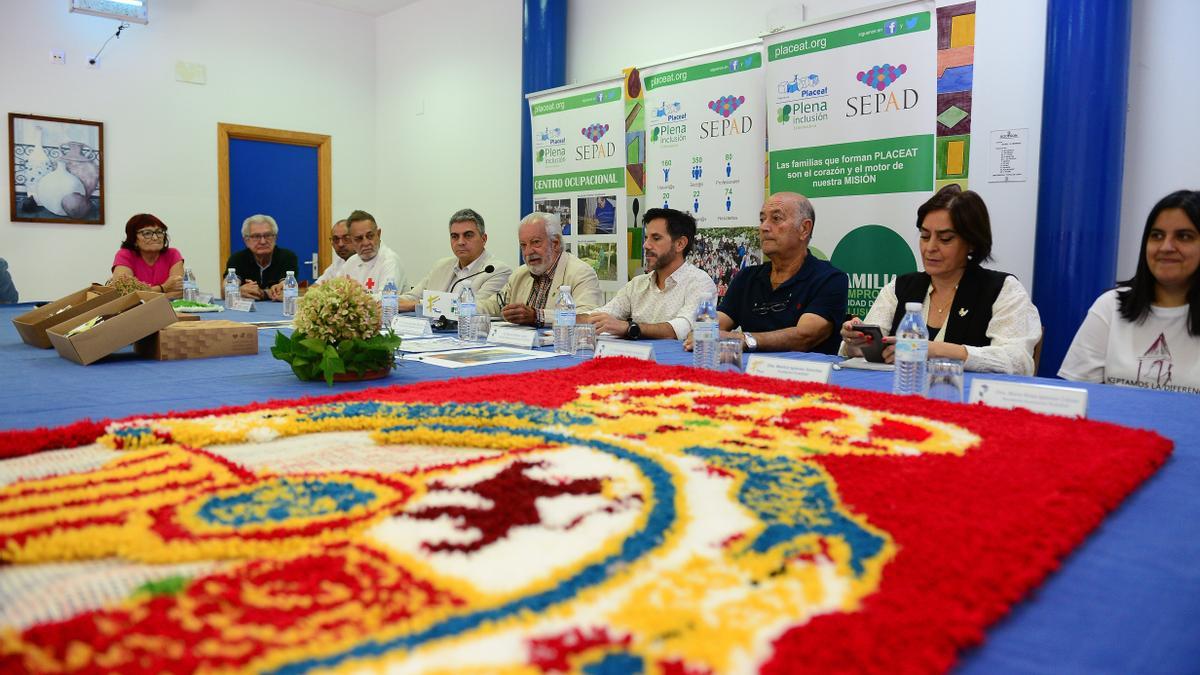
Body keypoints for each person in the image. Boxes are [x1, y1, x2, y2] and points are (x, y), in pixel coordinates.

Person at [840, 185, 1042, 374]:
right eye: (925, 236)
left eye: (945, 239)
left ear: (971, 242)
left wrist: (935, 350)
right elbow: (868, 349)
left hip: (968, 403)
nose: (930, 248)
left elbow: (1018, 362)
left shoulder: (1002, 290)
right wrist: (856, 344)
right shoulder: (900, 287)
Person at [1060, 190, 1200, 392]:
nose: (1166, 246)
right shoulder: (1111, 305)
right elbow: (1078, 395)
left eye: (1184, 236)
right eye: (1157, 235)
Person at [688, 192, 848, 354]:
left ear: (804, 229)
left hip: (806, 374)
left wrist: (745, 339)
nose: (764, 227)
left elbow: (805, 336)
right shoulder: (747, 277)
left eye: (776, 219)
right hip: (749, 372)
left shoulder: (830, 279)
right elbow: (717, 323)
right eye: (762, 219)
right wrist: (701, 333)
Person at [582, 208, 715, 340]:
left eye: (656, 238)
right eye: (646, 238)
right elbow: (603, 314)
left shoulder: (699, 282)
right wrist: (567, 318)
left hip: (675, 361)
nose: (646, 245)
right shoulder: (637, 284)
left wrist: (629, 327)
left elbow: (682, 329)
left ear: (680, 244)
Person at [477, 212, 602, 326]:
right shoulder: (520, 274)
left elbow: (587, 317)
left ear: (555, 243)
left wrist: (538, 316)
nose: (528, 252)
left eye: (535, 242)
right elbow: (494, 305)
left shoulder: (581, 273)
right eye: (523, 245)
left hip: (559, 347)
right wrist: (464, 308)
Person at [399, 208, 512, 312]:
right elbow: (412, 297)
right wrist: (387, 302)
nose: (460, 242)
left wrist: (418, 305)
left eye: (468, 235)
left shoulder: (496, 271)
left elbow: (473, 308)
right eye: (455, 236)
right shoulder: (441, 266)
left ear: (484, 239)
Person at [225, 214, 298, 301]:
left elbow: (287, 288)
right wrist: (238, 291)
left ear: (275, 238)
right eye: (256, 236)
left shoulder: (287, 257)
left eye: (268, 235)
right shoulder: (237, 258)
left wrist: (264, 293)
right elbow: (224, 289)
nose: (263, 241)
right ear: (246, 240)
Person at [110, 213, 185, 298]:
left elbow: (178, 292)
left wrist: (143, 295)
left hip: (169, 309)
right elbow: (124, 292)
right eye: (147, 233)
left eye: (159, 232)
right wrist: (163, 288)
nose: (155, 238)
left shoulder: (173, 254)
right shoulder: (125, 255)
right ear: (133, 238)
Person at [340, 209, 406, 294]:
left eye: (370, 236)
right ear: (351, 241)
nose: (366, 243)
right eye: (358, 239)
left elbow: (386, 299)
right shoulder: (350, 263)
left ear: (378, 234)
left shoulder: (390, 260)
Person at [313, 219, 354, 285]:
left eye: (346, 238)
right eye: (336, 239)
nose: (340, 244)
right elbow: (316, 286)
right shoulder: (338, 263)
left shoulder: (365, 262)